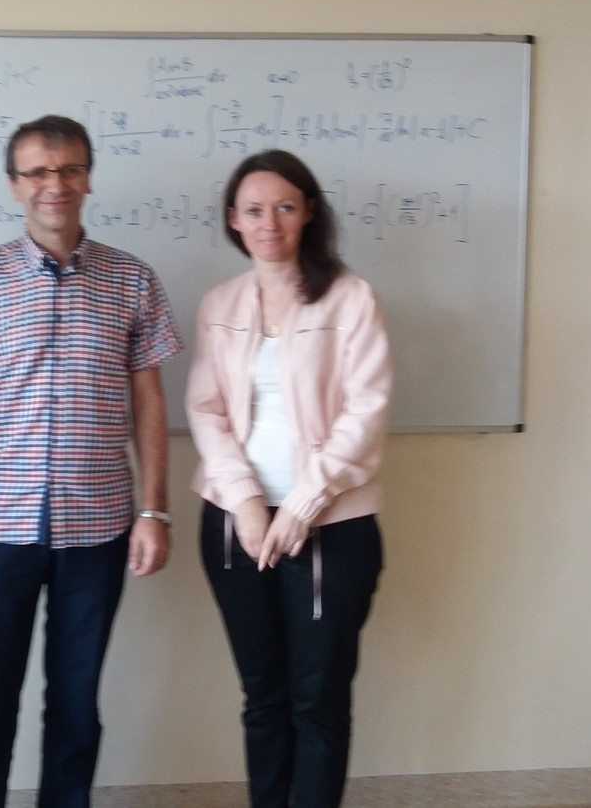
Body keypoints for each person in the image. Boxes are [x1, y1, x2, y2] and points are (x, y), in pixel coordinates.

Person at [0, 114, 183, 808]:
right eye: (37, 171)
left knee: (75, 707)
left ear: (88, 178)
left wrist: (154, 510)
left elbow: (149, 401)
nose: (54, 184)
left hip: (98, 527)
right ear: (14, 186)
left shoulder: (132, 281)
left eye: (69, 169)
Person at [185, 149, 392, 808]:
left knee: (318, 699)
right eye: (253, 210)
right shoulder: (219, 303)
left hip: (332, 525)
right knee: (263, 696)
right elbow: (206, 409)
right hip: (235, 526)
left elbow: (367, 410)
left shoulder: (351, 298)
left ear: (308, 214)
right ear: (233, 220)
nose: (268, 222)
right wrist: (247, 502)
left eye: (284, 207)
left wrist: (302, 505)